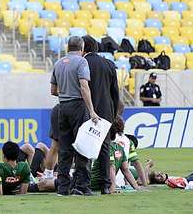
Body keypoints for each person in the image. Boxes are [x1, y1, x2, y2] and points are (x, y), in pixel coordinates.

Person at [50, 35, 100, 196]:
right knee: (83, 147)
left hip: (62, 107)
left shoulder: (58, 63)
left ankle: (63, 188)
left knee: (64, 149)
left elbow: (53, 90)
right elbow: (84, 87)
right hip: (78, 106)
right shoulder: (81, 62)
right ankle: (82, 186)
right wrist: (91, 110)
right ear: (82, 46)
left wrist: (65, 92)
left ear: (67, 47)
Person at [83, 35, 121, 194]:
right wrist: (113, 114)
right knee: (104, 148)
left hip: (86, 110)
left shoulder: (82, 64)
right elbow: (115, 93)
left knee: (83, 147)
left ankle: (84, 184)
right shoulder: (109, 64)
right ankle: (106, 185)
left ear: (84, 47)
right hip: (106, 111)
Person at [89, 117, 141, 194]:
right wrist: (112, 188)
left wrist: (137, 188)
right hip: (95, 184)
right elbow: (112, 168)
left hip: (102, 183)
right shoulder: (109, 147)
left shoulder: (118, 147)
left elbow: (125, 169)